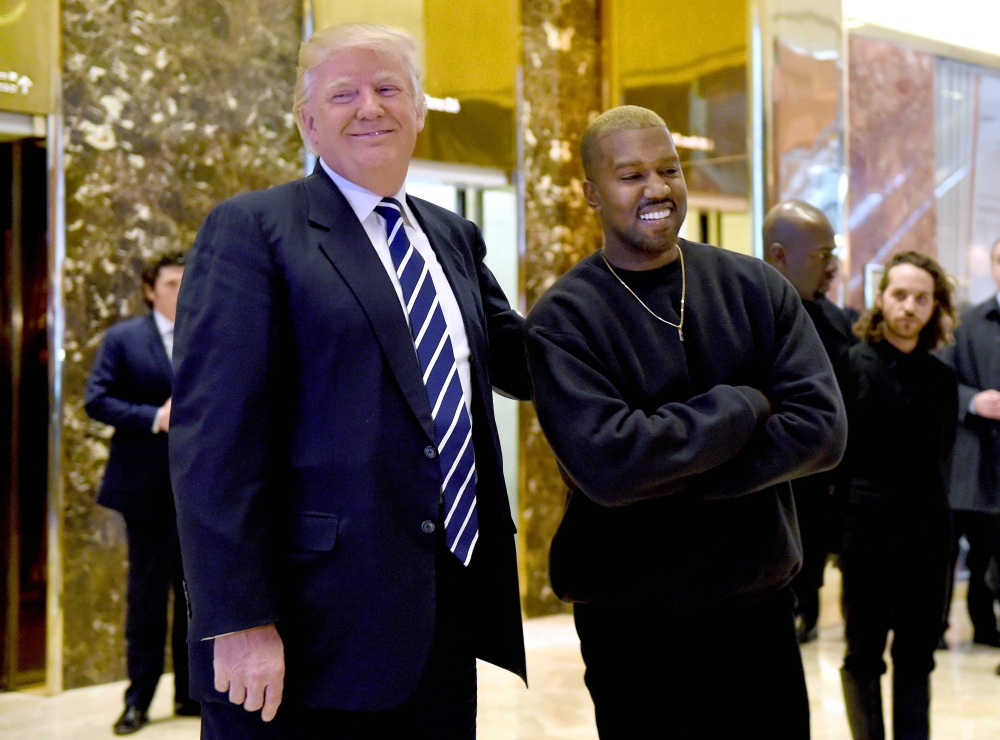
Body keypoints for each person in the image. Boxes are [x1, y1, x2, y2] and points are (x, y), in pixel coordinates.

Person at [169, 23, 528, 739]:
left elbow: (518, 357)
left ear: (420, 110)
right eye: (344, 93)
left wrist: (634, 291)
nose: (370, 107)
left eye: (389, 88)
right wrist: (238, 620)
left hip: (442, 616)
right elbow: (214, 443)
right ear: (307, 121)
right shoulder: (253, 230)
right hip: (307, 633)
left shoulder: (449, 235)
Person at [524, 105, 847, 739]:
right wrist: (744, 406)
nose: (656, 188)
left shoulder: (756, 288)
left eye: (668, 169)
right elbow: (608, 466)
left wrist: (670, 471)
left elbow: (821, 429)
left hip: (757, 610)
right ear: (592, 192)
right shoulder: (564, 320)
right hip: (632, 624)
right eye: (631, 174)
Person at [839, 251, 958, 739]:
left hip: (928, 540)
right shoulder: (852, 365)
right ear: (881, 298)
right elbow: (839, 458)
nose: (910, 306)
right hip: (867, 536)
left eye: (922, 298)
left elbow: (941, 460)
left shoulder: (942, 379)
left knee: (917, 657)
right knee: (863, 655)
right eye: (900, 294)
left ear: (935, 308)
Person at [84, 252, 197, 734]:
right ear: (151, 290)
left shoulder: (209, 333)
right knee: (148, 601)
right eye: (171, 283)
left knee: (197, 600)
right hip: (146, 491)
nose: (180, 291)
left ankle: (192, 696)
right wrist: (154, 418)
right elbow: (97, 400)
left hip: (199, 492)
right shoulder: (124, 339)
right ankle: (138, 700)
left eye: (186, 283)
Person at [764, 199, 859, 643]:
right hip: (771, 481)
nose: (833, 268)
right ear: (780, 255)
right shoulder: (744, 314)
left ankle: (811, 606)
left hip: (827, 477)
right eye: (822, 256)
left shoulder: (836, 322)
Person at [939, 238, 1000, 651]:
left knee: (993, 553)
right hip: (971, 458)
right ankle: (938, 624)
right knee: (952, 549)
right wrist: (973, 400)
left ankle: (987, 627)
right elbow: (942, 381)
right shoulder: (966, 321)